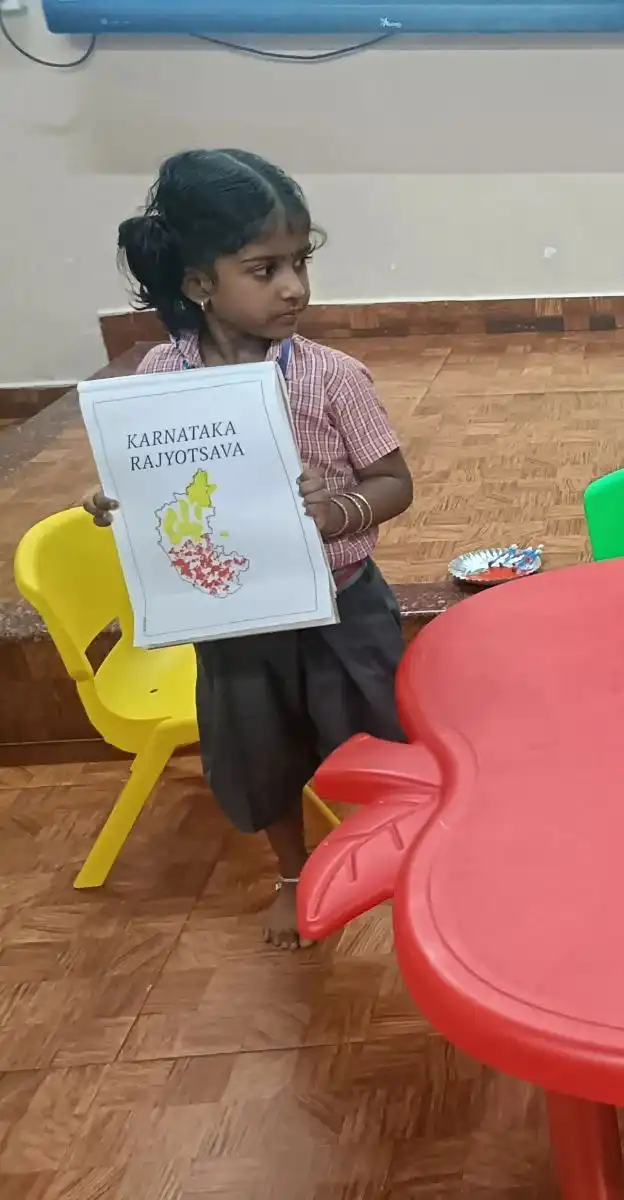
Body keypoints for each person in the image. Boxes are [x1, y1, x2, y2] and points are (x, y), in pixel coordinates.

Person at [81, 149, 413, 949]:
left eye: (300, 262)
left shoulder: (332, 377)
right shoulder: (160, 378)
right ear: (200, 283)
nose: (293, 286)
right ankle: (295, 872)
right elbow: (144, 482)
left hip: (342, 604)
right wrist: (110, 504)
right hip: (232, 619)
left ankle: (403, 862)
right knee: (257, 753)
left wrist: (339, 512)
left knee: (376, 737)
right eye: (263, 269)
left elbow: (394, 481)